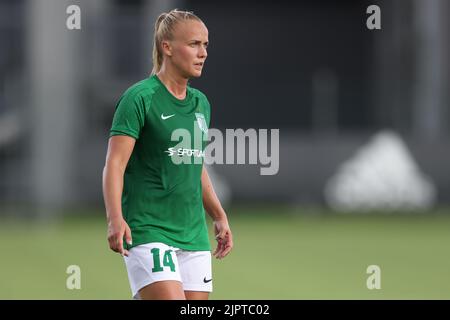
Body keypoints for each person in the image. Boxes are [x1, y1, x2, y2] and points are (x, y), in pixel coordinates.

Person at [102, 9, 233, 300]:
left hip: (193, 233)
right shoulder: (139, 98)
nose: (203, 53)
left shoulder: (201, 103)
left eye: (206, 45)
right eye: (194, 44)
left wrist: (218, 215)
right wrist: (115, 218)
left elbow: (193, 163)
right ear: (167, 47)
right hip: (149, 229)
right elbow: (115, 163)